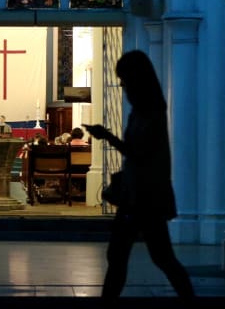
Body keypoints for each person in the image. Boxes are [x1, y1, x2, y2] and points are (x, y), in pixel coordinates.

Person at [85, 49, 195, 299]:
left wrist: (108, 137)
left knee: (158, 257)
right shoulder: (141, 112)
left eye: (124, 78)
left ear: (137, 79)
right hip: (137, 196)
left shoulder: (151, 114)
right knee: (125, 255)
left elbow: (140, 153)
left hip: (146, 198)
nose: (122, 84)